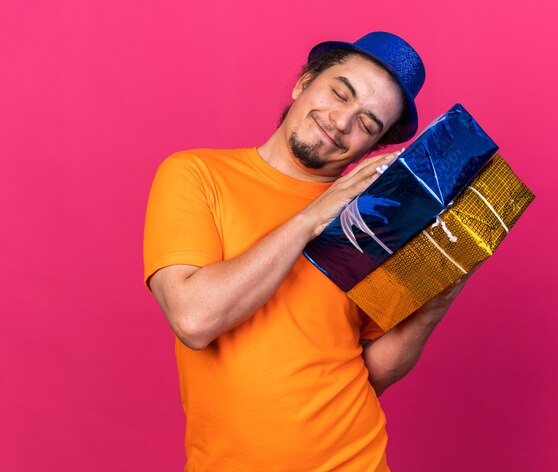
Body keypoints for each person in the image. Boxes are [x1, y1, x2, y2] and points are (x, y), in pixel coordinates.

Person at [143, 31, 475, 472]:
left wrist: (435, 303)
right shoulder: (196, 174)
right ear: (303, 82)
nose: (341, 123)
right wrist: (313, 216)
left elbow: (374, 372)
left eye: (367, 124)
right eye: (340, 93)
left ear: (373, 148)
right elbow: (195, 319)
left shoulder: (375, 221)